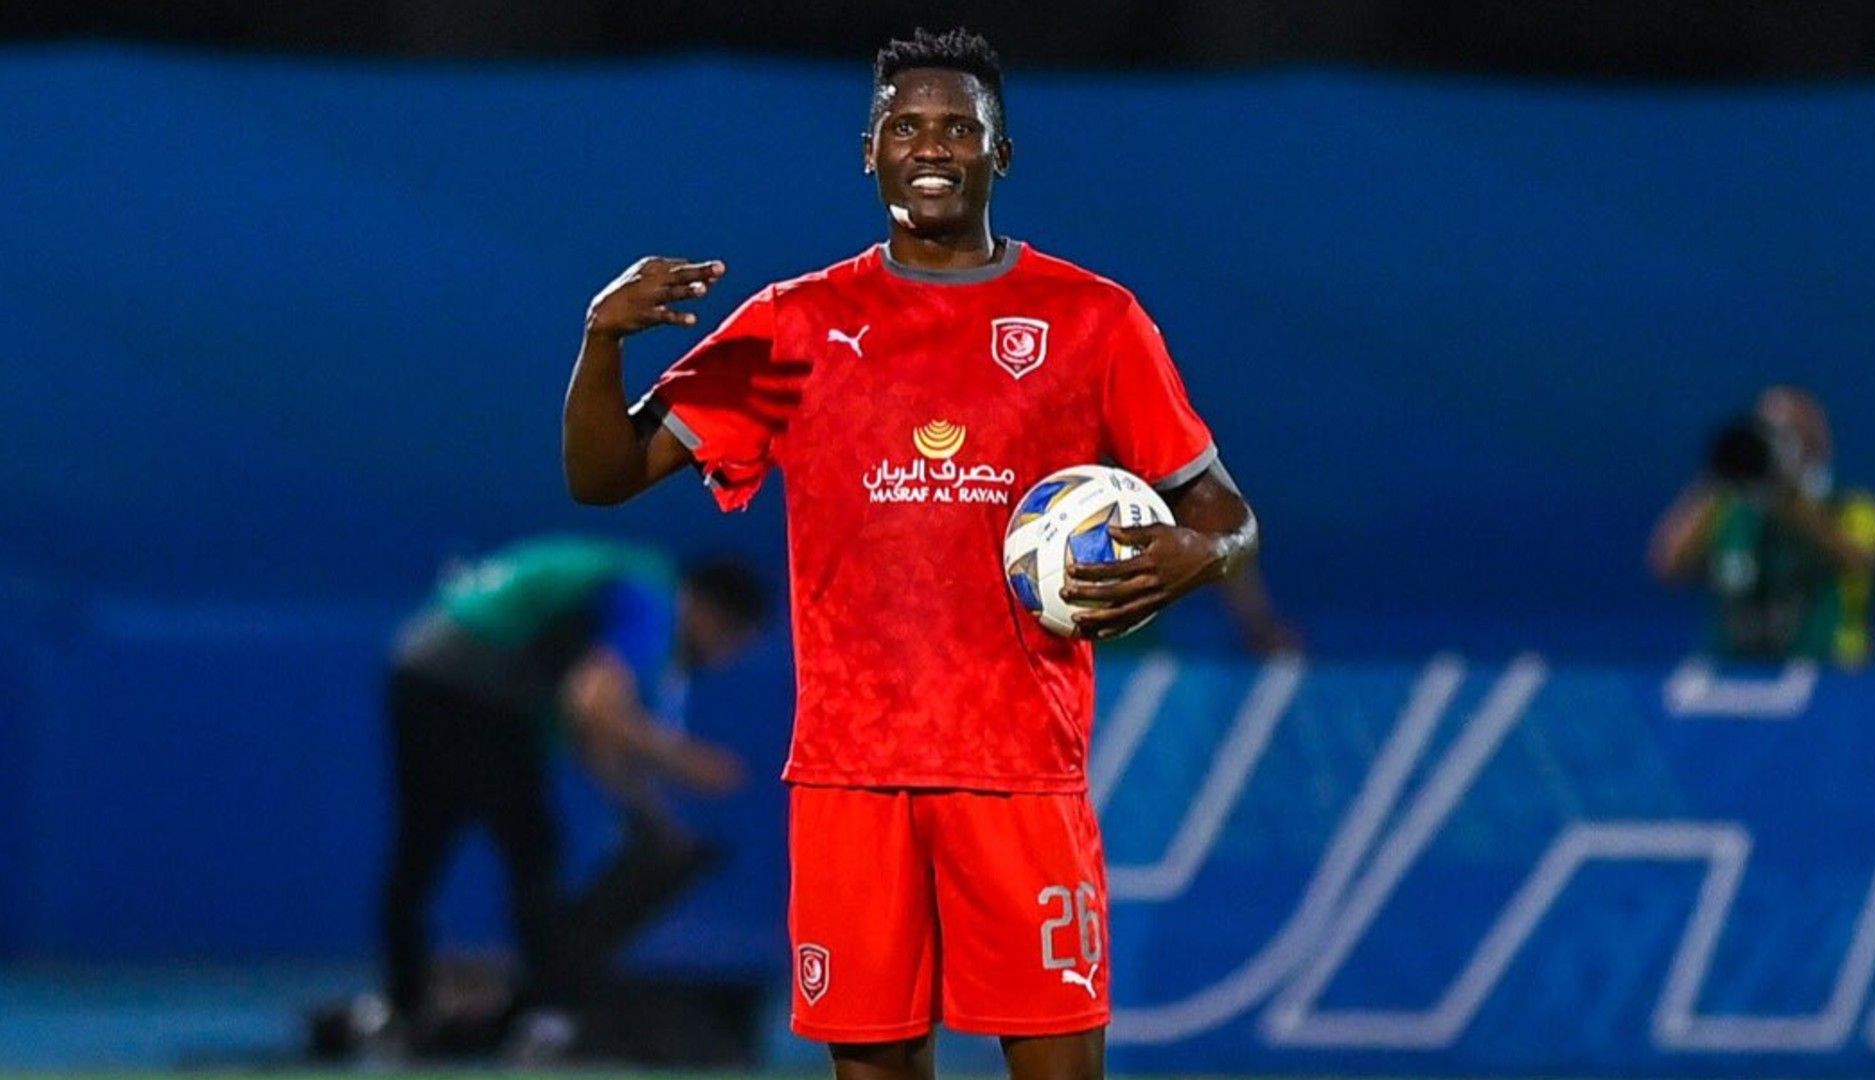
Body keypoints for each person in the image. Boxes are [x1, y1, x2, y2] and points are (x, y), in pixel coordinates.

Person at [561, 28, 1260, 1080]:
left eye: (958, 128)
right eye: (907, 125)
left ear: (1000, 155)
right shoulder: (797, 327)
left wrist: (1195, 558)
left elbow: (1225, 513)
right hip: (853, 777)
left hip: (1020, 774)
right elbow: (606, 474)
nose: (932, 146)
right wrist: (601, 340)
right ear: (870, 150)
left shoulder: (1091, 322)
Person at [380, 536, 767, 1053]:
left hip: (420, 670)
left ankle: (407, 1005)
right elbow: (595, 705)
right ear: (713, 612)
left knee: (424, 850)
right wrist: (684, 762)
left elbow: (590, 734)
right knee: (534, 853)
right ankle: (548, 1016)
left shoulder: (615, 586)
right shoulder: (651, 595)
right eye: (731, 642)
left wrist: (648, 812)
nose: (720, 658)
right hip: (475, 691)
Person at [1648, 386, 1875, 666]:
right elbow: (1668, 566)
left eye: (1785, 435)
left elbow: (1861, 562)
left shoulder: (1852, 505)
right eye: (1763, 433)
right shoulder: (1727, 510)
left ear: (1817, 443)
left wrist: (1787, 498)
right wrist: (1720, 477)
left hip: (1824, 674)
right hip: (1732, 671)